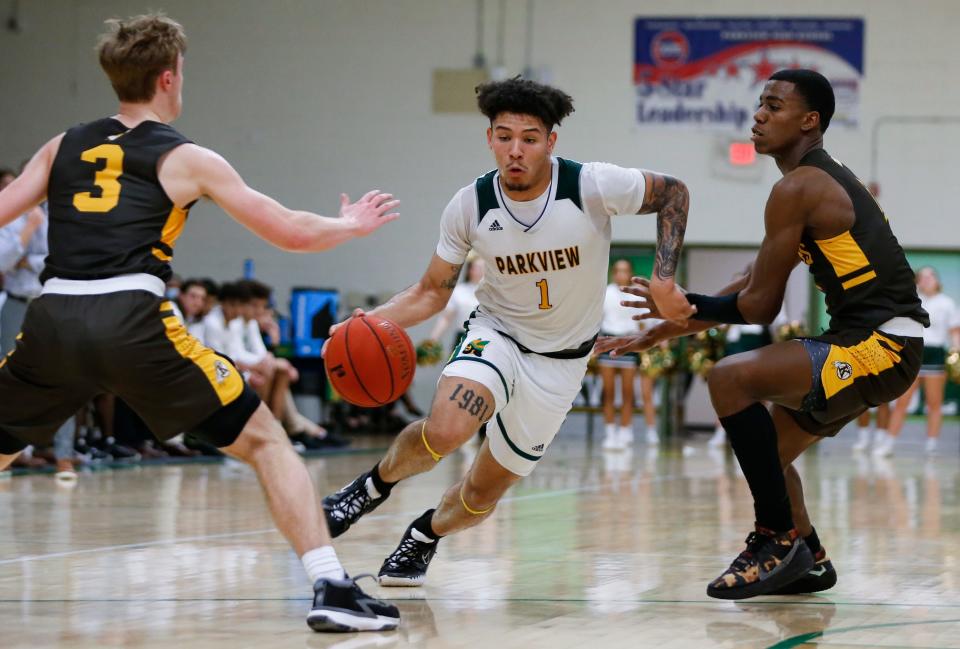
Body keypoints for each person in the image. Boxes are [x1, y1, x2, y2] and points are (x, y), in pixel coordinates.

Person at [0, 14, 401, 632]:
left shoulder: (62, 145)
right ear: (168, 77)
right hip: (131, 317)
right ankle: (331, 586)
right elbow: (289, 231)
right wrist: (349, 225)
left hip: (51, 316)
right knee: (267, 442)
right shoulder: (184, 156)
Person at [321, 76, 692, 587]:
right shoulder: (470, 204)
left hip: (561, 364)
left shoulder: (591, 185)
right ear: (489, 138)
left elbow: (673, 193)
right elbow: (432, 291)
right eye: (504, 136)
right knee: (447, 430)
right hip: (498, 334)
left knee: (479, 497)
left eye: (530, 138)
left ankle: (424, 535)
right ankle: (371, 487)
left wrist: (667, 279)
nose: (516, 150)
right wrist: (364, 323)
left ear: (551, 142)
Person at [597, 69, 928, 599]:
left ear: (809, 120)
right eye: (760, 104)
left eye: (774, 106)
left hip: (881, 345)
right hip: (873, 342)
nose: (758, 115)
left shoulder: (799, 186)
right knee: (768, 458)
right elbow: (749, 281)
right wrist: (666, 328)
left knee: (729, 378)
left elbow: (758, 307)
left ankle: (775, 541)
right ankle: (811, 558)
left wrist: (683, 302)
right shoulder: (814, 180)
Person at [883, 266, 960, 455]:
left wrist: (956, 352)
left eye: (930, 276)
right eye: (922, 277)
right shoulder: (912, 302)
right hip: (913, 352)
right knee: (902, 401)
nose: (926, 280)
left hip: (935, 354)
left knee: (934, 403)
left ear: (937, 280)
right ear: (917, 282)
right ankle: (888, 444)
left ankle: (931, 445)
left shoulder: (947, 303)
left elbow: (954, 332)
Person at [597, 258, 658, 450]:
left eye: (625, 270)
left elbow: (646, 321)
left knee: (627, 392)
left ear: (630, 272)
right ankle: (610, 432)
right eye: (617, 270)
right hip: (608, 342)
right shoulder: (605, 292)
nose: (620, 274)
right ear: (613, 273)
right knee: (607, 393)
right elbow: (598, 319)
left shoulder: (638, 294)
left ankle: (625, 430)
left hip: (629, 343)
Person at [427, 255, 484, 351]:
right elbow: (446, 318)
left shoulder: (492, 294)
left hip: (484, 338)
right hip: (462, 337)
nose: (480, 271)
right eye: (477, 268)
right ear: (470, 270)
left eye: (483, 268)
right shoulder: (459, 291)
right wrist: (433, 339)